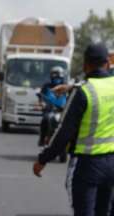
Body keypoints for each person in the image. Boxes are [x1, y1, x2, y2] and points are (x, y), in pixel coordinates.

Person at [33, 43, 114, 216]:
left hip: (87, 166)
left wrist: (43, 159)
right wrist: (71, 87)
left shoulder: (83, 92)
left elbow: (64, 133)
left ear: (85, 65)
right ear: (107, 63)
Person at [38, 66, 67, 147]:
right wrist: (42, 103)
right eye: (55, 77)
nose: (57, 79)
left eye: (59, 77)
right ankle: (42, 138)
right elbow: (41, 96)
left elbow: (71, 96)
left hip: (63, 111)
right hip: (50, 109)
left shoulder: (65, 86)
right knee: (45, 119)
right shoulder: (46, 86)